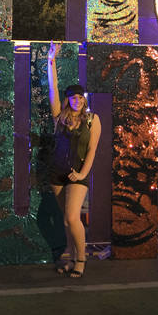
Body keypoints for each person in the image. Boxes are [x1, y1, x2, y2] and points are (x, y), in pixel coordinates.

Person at [46, 43, 101, 279]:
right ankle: (71, 257)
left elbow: (92, 151)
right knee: (67, 222)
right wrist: (51, 60)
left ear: (84, 99)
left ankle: (81, 259)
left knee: (71, 217)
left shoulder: (92, 120)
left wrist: (81, 174)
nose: (76, 101)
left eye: (79, 97)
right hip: (57, 173)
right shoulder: (59, 117)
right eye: (72, 98)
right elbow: (53, 90)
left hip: (77, 175)